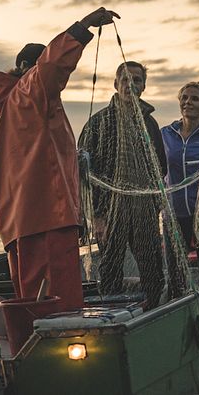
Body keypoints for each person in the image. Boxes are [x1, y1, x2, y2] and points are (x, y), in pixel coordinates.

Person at [0, 7, 120, 312]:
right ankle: (60, 346)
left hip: (20, 224)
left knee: (32, 300)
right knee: (60, 302)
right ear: (26, 68)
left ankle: (33, 346)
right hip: (48, 218)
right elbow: (49, 68)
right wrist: (83, 27)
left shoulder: (12, 110)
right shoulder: (29, 95)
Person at [78, 61, 167, 310]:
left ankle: (152, 313)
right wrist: (96, 216)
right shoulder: (98, 123)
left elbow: (160, 167)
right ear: (116, 84)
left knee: (152, 269)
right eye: (125, 79)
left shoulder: (150, 124)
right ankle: (111, 314)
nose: (131, 84)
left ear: (144, 86)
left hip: (143, 211)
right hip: (109, 212)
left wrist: (154, 206)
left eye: (136, 80)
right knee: (110, 268)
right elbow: (84, 174)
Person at [161, 81, 199, 286]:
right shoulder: (165, 134)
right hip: (173, 214)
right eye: (184, 98)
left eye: (194, 99)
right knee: (175, 271)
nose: (188, 102)